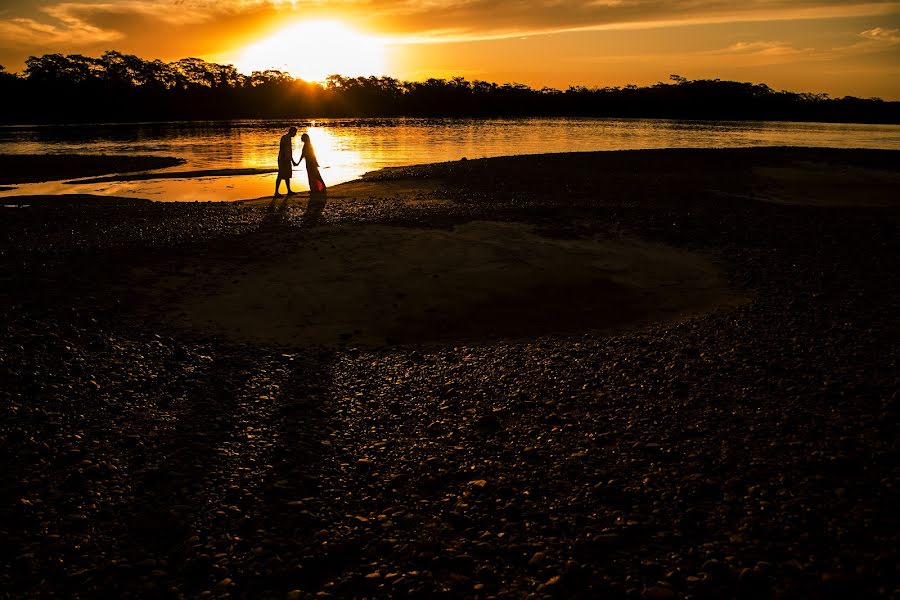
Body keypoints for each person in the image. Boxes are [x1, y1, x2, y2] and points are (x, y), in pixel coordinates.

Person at [274, 126, 298, 197]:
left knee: (287, 175)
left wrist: (292, 161)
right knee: (281, 175)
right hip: (283, 159)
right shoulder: (285, 138)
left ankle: (289, 190)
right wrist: (283, 158)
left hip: (287, 159)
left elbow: (289, 152)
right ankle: (276, 192)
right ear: (292, 131)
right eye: (295, 132)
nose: (295, 134)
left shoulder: (289, 138)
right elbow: (282, 148)